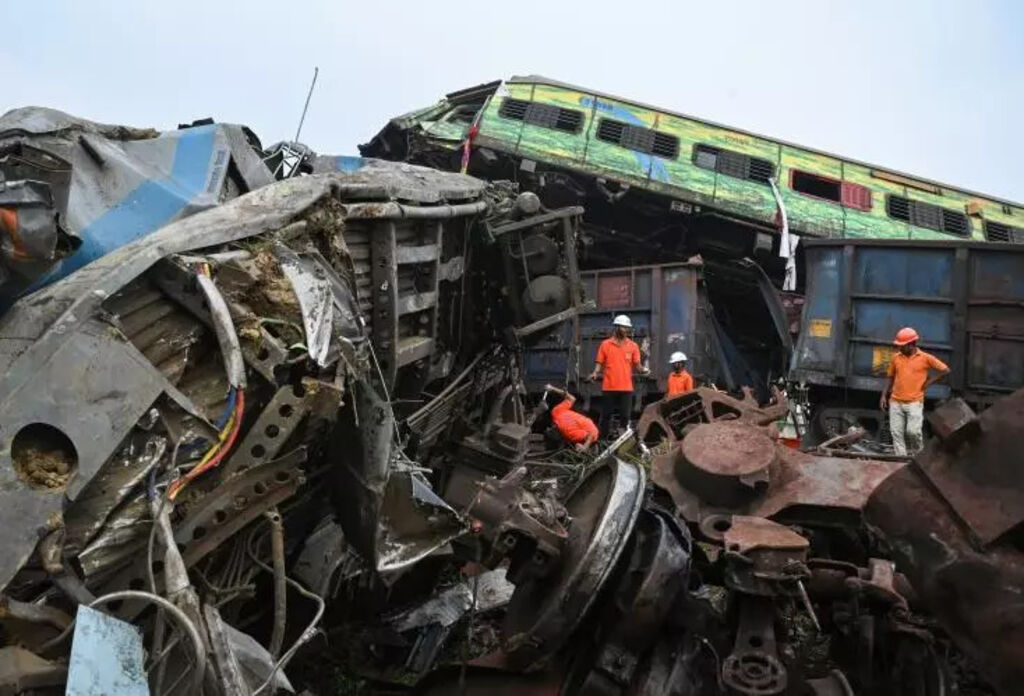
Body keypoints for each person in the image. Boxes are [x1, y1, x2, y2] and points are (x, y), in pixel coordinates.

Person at [879, 326, 950, 456]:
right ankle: (901, 460)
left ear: (911, 344)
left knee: (912, 432)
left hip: (914, 402)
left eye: (902, 345)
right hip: (895, 401)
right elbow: (890, 377)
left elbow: (945, 370)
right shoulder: (896, 358)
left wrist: (929, 382)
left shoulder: (925, 358)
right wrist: (884, 396)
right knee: (896, 433)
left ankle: (919, 456)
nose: (899, 347)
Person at [588, 314, 648, 434]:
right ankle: (603, 439)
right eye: (623, 327)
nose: (626, 330)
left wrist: (644, 370)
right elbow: (599, 363)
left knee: (625, 416)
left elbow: (637, 366)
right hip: (609, 387)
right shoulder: (605, 345)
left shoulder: (633, 346)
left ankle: (622, 441)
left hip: (626, 388)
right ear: (616, 327)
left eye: (627, 328)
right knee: (606, 416)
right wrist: (595, 373)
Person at [543, 384, 599, 452]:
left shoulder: (569, 432)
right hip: (586, 426)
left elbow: (590, 435)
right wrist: (553, 389)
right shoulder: (556, 412)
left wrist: (584, 447)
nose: (549, 428)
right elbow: (571, 398)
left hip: (590, 432)